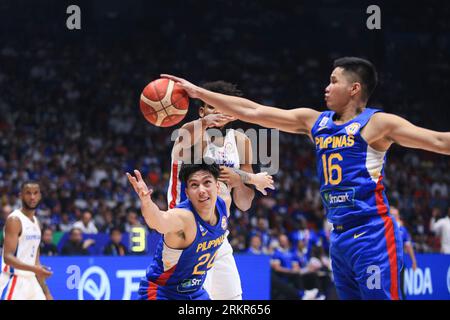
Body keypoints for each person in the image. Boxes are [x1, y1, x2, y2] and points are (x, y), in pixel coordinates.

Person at [162, 57, 450, 300]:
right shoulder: (315, 122)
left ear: (354, 88)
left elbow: (438, 141)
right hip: (338, 235)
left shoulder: (379, 124)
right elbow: (253, 110)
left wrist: (242, 179)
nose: (326, 87)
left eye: (334, 81)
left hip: (371, 230)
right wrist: (198, 91)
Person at [168, 81, 275, 300]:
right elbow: (186, 135)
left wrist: (239, 181)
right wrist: (252, 177)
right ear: (201, 111)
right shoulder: (191, 135)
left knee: (233, 300)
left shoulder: (241, 142)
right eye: (210, 107)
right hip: (185, 235)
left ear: (231, 112)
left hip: (218, 236)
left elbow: (244, 204)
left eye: (221, 107)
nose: (216, 111)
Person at [127, 161, 229, 300]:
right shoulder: (183, 217)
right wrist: (146, 202)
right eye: (194, 185)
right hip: (162, 292)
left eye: (207, 183)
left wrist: (251, 179)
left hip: (195, 291)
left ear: (217, 186)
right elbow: (158, 221)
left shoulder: (224, 204)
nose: (202, 190)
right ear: (187, 193)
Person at [0, 181, 53, 300]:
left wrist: (46, 293)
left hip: (32, 281)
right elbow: (7, 257)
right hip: (13, 281)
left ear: (40, 196)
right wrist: (35, 269)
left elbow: (36, 262)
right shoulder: (15, 220)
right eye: (28, 193)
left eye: (35, 193)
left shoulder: (36, 222)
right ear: (21, 196)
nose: (32, 197)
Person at [390, 206, 417, 299]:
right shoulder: (383, 229)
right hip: (385, 264)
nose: (394, 217)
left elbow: (408, 246)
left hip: (398, 265)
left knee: (400, 289)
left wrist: (413, 261)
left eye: (395, 215)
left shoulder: (403, 230)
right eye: (392, 214)